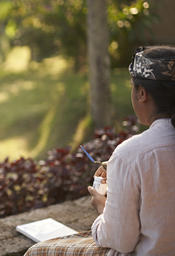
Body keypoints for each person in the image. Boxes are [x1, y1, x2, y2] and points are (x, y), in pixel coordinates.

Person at [24, 45, 175, 256]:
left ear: (141, 93)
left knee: (37, 252)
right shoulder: (134, 156)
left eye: (132, 87)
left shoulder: (132, 154)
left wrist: (102, 208)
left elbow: (120, 241)